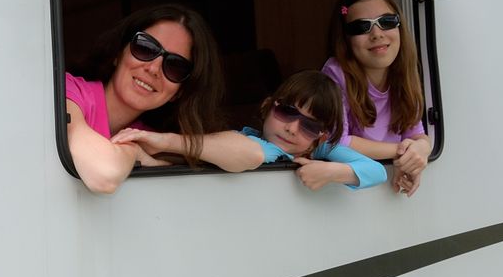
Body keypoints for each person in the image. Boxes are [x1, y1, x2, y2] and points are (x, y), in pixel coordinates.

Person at [111, 71, 387, 191]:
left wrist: (331, 172)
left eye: (310, 125)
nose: (292, 128)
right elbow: (249, 150)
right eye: (287, 112)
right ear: (268, 107)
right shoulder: (250, 140)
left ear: (321, 136)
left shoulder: (320, 149)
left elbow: (379, 172)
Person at [64, 4, 224, 194]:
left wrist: (169, 143)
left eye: (175, 66)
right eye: (145, 47)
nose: (153, 69)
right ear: (118, 52)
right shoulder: (68, 91)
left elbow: (254, 154)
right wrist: (133, 152)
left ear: (181, 91)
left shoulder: (150, 137)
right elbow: (104, 175)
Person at [322, 0, 430, 196]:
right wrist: (402, 153)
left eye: (387, 21)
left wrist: (421, 151)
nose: (377, 34)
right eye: (361, 27)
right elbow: (335, 142)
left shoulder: (405, 75)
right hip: (346, 197)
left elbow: (416, 135)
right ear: (345, 39)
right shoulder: (336, 74)